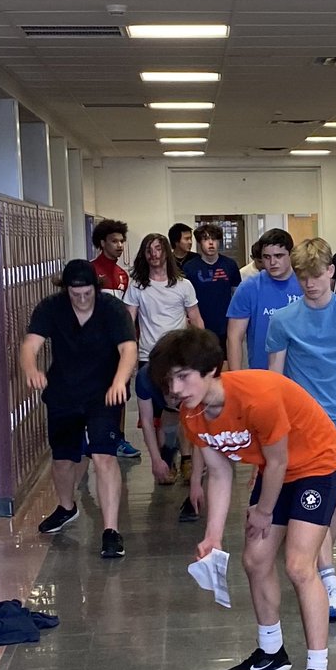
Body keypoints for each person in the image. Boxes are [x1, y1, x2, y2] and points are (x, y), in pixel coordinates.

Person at [151, 328, 336, 670]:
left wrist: (264, 511)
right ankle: (271, 653)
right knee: (255, 560)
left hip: (317, 462)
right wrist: (213, 536)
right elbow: (220, 472)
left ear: (210, 370)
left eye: (183, 376)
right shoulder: (192, 414)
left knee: (298, 565)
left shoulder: (258, 396)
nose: (176, 389)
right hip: (277, 470)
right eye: (169, 381)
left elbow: (278, 461)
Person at [266, 238, 336, 620]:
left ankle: (317, 564)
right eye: (302, 277)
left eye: (316, 275)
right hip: (304, 429)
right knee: (319, 505)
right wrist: (273, 436)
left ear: (331, 271)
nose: (309, 283)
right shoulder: (283, 320)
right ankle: (327, 580)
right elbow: (275, 381)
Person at [20, 259, 136, 559]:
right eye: (75, 294)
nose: (82, 299)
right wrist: (31, 369)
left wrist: (119, 381)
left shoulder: (112, 309)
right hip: (64, 392)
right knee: (62, 460)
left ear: (95, 288)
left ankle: (111, 531)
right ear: (66, 290)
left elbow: (128, 348)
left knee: (104, 457)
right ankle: (66, 507)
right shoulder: (51, 307)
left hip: (104, 393)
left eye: (87, 293)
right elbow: (30, 344)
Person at [124, 233, 203, 495]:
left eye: (159, 249)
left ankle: (187, 458)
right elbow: (128, 323)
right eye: (149, 250)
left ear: (166, 252)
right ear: (144, 255)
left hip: (179, 356)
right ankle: (165, 460)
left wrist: (202, 352)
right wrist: (127, 358)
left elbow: (196, 319)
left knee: (184, 409)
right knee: (161, 415)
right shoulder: (137, 286)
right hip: (149, 356)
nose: (154, 255)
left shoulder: (183, 285)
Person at [90, 218, 140, 459]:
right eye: (114, 241)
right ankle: (96, 437)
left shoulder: (122, 275)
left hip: (117, 345)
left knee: (121, 391)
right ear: (102, 243)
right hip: (94, 345)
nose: (119, 246)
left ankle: (118, 438)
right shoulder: (91, 270)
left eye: (122, 241)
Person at [135, 359, 206, 520]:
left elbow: (201, 435)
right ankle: (168, 452)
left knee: (208, 455)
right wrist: (155, 459)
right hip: (162, 392)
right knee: (169, 419)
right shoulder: (144, 380)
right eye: (171, 396)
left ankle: (184, 460)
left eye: (176, 397)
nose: (174, 400)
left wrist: (196, 481)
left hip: (193, 388)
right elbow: (146, 422)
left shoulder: (195, 380)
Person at [225, 228, 301, 370]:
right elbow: (234, 337)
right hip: (262, 371)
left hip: (300, 372)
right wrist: (236, 378)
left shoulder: (305, 284)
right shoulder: (248, 288)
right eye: (267, 257)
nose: (272, 262)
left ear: (290, 255)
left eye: (278, 256)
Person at [183, 225, 241, 349]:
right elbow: (185, 299)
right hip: (200, 326)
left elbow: (236, 296)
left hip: (226, 325)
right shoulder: (189, 268)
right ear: (199, 243)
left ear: (219, 242)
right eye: (206, 239)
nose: (211, 243)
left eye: (214, 239)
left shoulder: (230, 265)